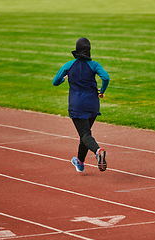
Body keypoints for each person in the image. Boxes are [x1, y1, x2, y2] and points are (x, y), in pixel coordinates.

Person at [53, 37, 110, 172]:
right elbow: (106, 77)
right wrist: (102, 91)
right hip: (93, 104)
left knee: (84, 133)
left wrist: (64, 79)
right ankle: (80, 162)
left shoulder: (69, 65)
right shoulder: (95, 65)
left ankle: (97, 151)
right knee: (85, 133)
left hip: (77, 105)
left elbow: (55, 81)